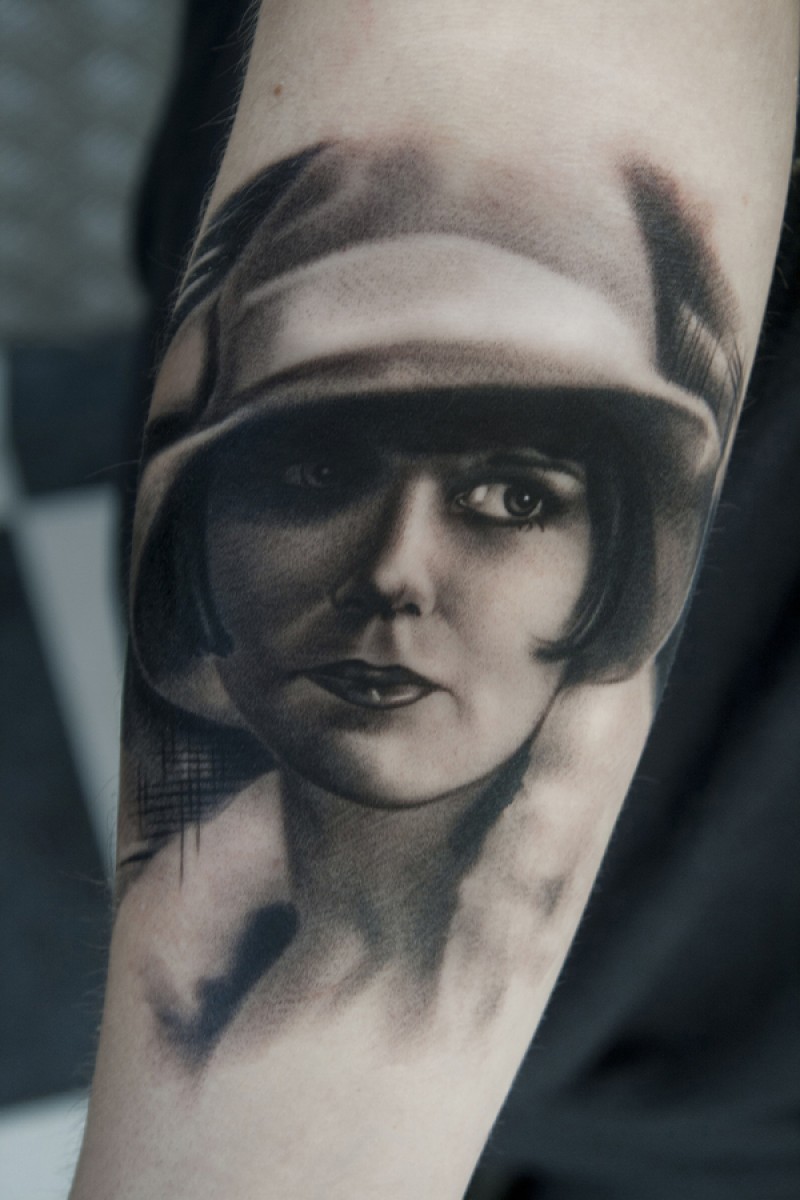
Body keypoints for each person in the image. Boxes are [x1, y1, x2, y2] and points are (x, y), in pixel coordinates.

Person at [71, 6, 799, 1199]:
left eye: (513, 497)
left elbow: (521, 64)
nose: (395, 572)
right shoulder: (218, 952)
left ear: (615, 561)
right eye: (315, 470)